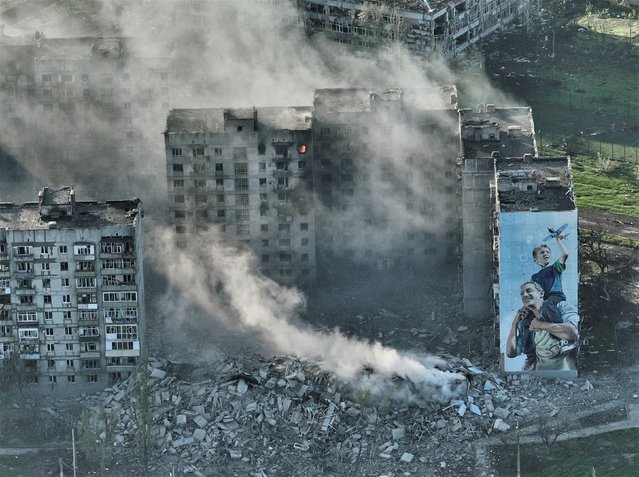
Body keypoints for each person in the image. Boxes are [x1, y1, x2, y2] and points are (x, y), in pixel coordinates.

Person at [506, 281, 579, 371]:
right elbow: (511, 353)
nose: (525, 295)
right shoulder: (526, 323)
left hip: (564, 368)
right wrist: (515, 323)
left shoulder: (560, 306)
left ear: (541, 294)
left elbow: (573, 334)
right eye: (522, 293)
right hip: (537, 371)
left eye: (529, 291)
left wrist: (540, 325)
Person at [531, 234, 569, 306]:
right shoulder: (535, 277)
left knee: (547, 305)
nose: (545, 253)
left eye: (547, 252)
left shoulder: (555, 267)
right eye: (542, 252)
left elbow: (565, 254)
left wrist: (558, 240)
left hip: (556, 297)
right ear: (536, 260)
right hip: (544, 301)